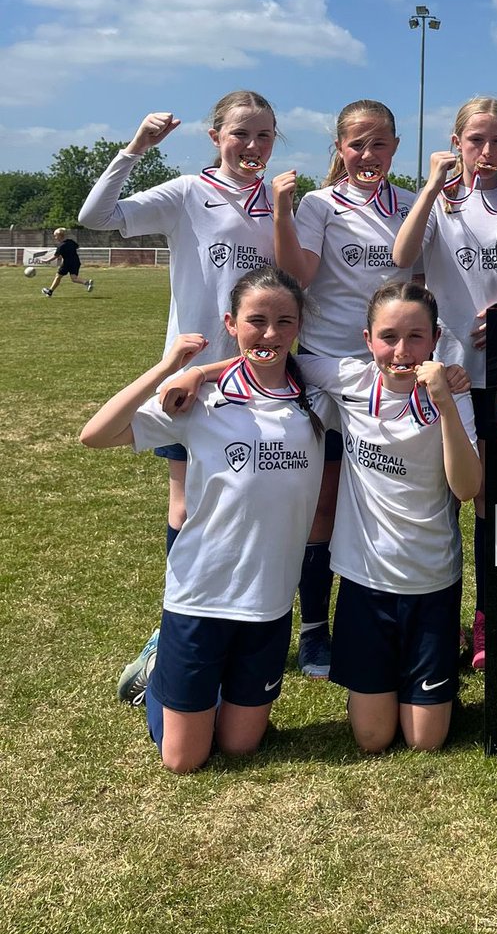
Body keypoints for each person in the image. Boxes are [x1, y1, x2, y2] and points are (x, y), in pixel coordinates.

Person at [79, 267, 328, 773]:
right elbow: (96, 435)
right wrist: (170, 368)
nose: (271, 333)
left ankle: (197, 693)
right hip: (200, 595)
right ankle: (157, 673)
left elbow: (387, 370)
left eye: (284, 321)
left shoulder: (317, 393)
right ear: (230, 323)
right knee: (184, 760)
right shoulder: (197, 402)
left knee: (240, 748)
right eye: (256, 321)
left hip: (269, 602)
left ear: (299, 325)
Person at [79, 93, 279, 584]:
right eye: (240, 134)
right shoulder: (187, 192)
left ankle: (239, 607)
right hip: (194, 378)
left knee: (252, 498)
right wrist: (135, 149)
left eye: (264, 135)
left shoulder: (280, 202)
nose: (252, 144)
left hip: (260, 376)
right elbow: (95, 217)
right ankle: (179, 610)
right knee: (187, 503)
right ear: (215, 138)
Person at [294, 281, 481, 752]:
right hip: (364, 582)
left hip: (432, 579)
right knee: (372, 739)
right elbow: (272, 357)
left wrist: (444, 404)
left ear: (435, 339)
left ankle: (430, 667)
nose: (402, 351)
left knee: (424, 742)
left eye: (416, 336)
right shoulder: (349, 379)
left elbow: (467, 487)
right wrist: (198, 374)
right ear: (368, 340)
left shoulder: (453, 395)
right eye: (389, 336)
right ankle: (393, 677)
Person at [271, 99, 419, 678]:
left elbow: (427, 284)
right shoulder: (318, 204)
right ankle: (313, 630)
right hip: (329, 372)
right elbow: (298, 277)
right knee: (325, 505)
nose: (367, 154)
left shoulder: (411, 206)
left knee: (398, 495)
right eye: (356, 144)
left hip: (396, 373)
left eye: (378, 144)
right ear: (339, 147)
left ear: (394, 148)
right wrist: (283, 211)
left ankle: (405, 610)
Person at [392, 98, 497, 670]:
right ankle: (439, 617)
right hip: (441, 371)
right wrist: (430, 187)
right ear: (456, 139)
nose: (487, 152)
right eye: (476, 140)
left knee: (491, 503)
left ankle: (488, 620)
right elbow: (402, 258)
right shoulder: (441, 201)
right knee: (438, 499)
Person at [40, 228, 94, 296]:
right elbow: (77, 247)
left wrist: (46, 260)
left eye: (55, 236)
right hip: (76, 262)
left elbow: (55, 256)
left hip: (67, 263)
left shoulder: (61, 246)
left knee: (58, 276)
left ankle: (50, 291)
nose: (55, 238)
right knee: (74, 278)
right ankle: (86, 282)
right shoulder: (71, 241)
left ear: (60, 236)